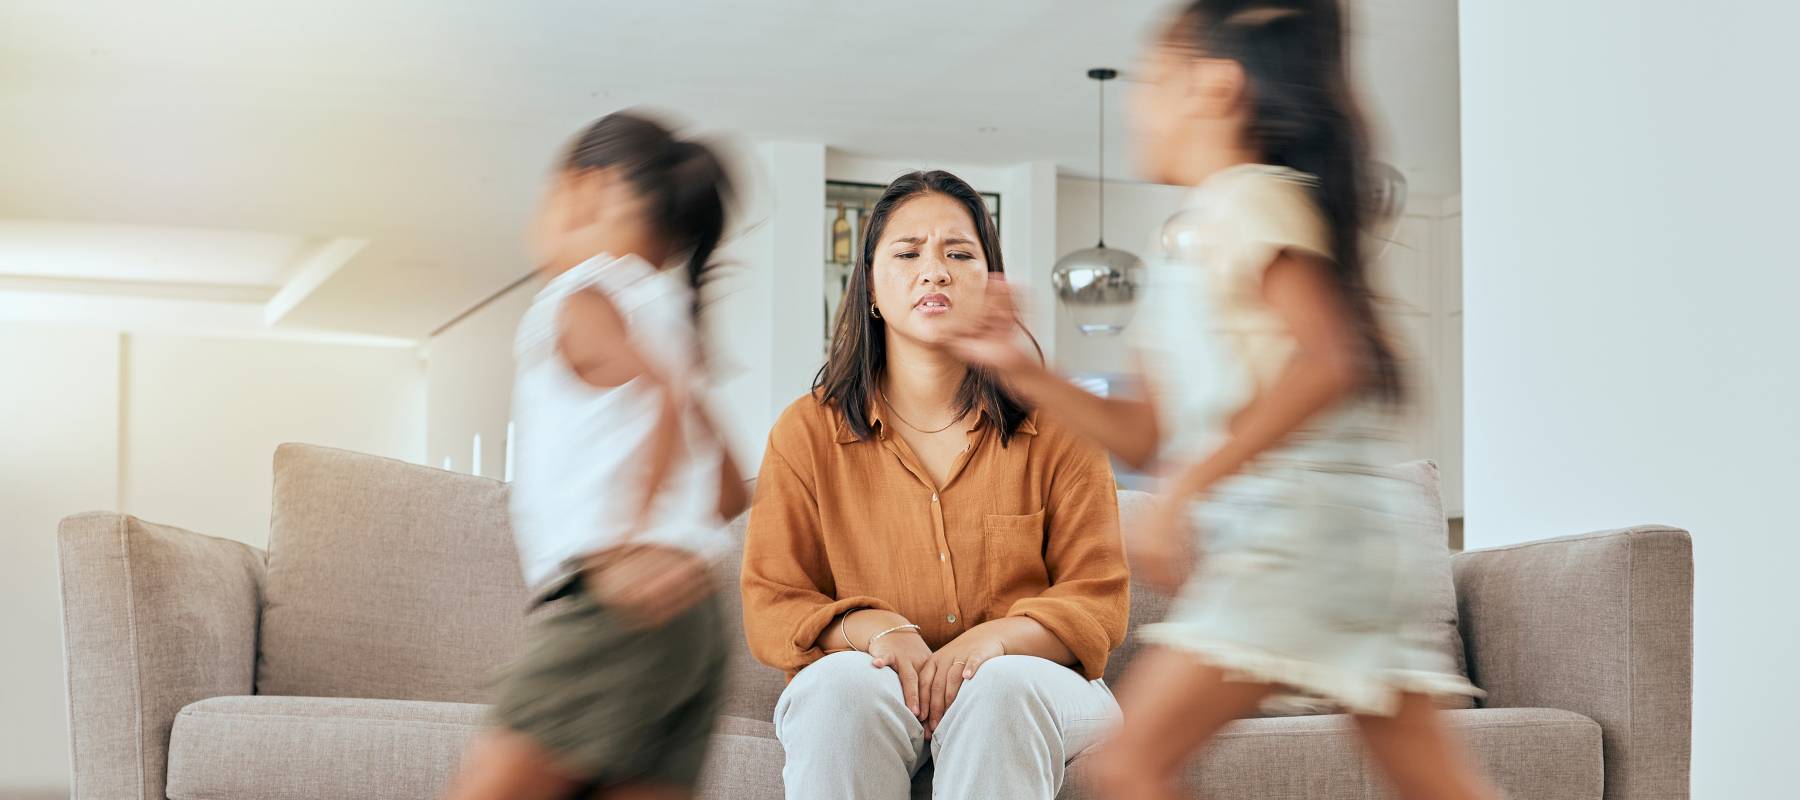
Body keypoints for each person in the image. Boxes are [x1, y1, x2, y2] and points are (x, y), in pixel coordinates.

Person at [941, 2, 1497, 798]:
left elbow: (1329, 361)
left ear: (1215, 88)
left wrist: (1190, 490)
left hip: (1297, 542)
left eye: (1151, 81)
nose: (1136, 101)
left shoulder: (1250, 201)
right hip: (1337, 542)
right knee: (1441, 787)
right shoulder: (1194, 242)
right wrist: (1021, 371)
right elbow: (1144, 434)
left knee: (1132, 766)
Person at [740, 170, 1131, 799]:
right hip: (873, 680)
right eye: (907, 252)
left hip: (1029, 683)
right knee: (842, 691)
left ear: (990, 281)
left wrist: (992, 641)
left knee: (999, 688)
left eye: (959, 253)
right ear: (869, 286)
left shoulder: (1059, 425)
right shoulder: (805, 432)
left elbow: (1097, 599)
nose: (935, 271)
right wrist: (877, 630)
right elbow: (774, 602)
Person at [444, 110, 746, 800]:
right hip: (694, 630)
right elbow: (731, 485)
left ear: (591, 189)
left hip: (619, 617)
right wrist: (677, 542)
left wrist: (629, 541)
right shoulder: (662, 312)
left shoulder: (582, 297)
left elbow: (665, 392)